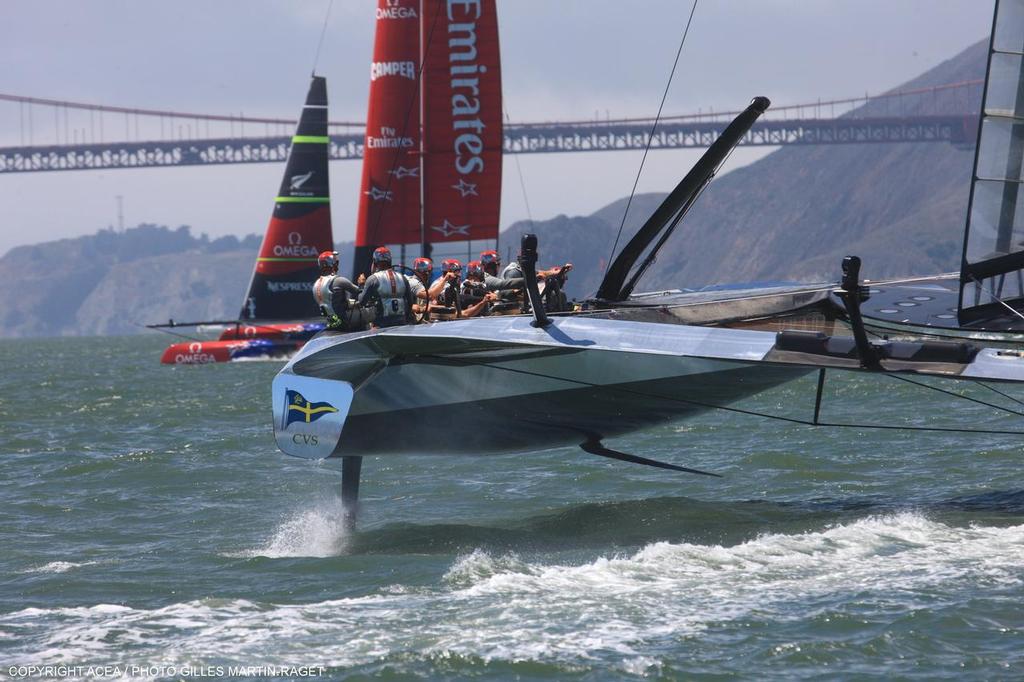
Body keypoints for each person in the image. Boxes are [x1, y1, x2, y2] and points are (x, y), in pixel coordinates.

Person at [312, 250, 373, 331]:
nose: (337, 264)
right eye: (336, 262)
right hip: (345, 321)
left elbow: (333, 302)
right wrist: (362, 283)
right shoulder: (339, 281)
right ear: (332, 264)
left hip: (332, 322)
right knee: (373, 311)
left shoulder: (315, 285)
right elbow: (362, 293)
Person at [357, 246, 416, 328]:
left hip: (381, 325)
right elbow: (410, 302)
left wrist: (361, 285)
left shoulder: (373, 279)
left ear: (374, 262)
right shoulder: (403, 278)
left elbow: (361, 302)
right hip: (401, 323)